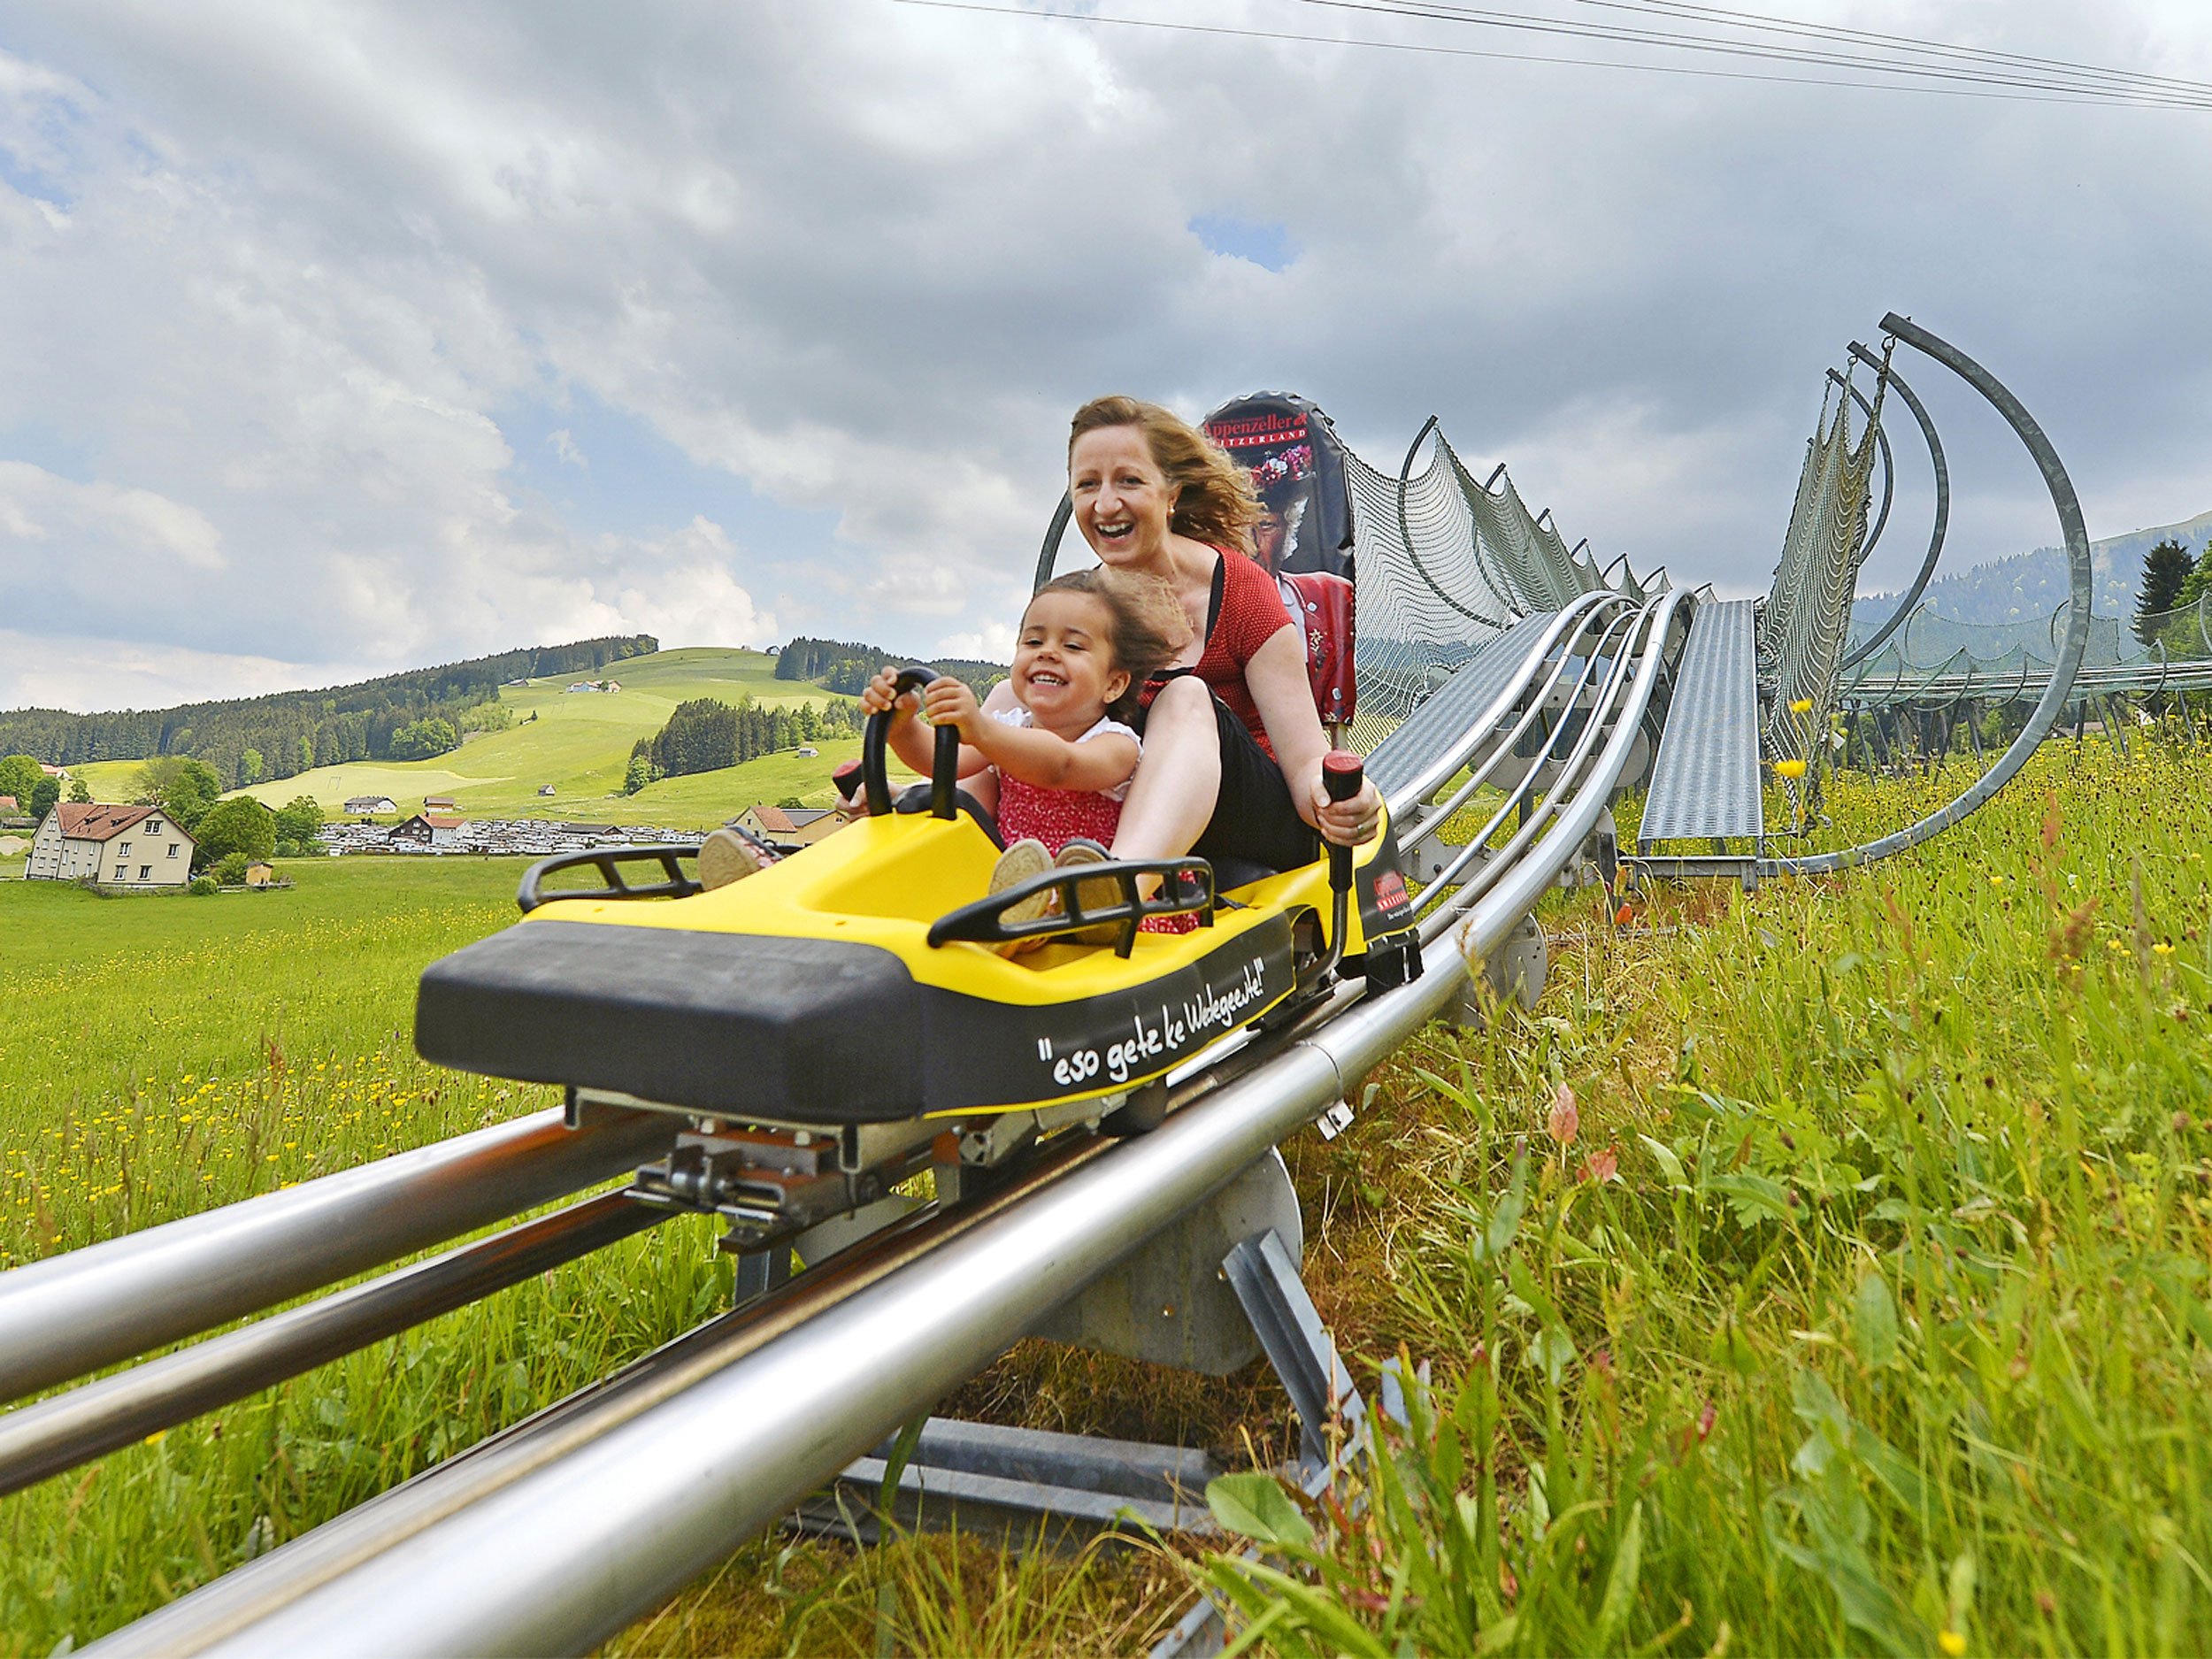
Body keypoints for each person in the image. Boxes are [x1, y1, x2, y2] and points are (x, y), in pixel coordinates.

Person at [1059, 395, 1378, 880]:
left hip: (1249, 821)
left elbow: (1305, 757)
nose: (1105, 503)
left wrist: (1334, 799)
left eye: (1129, 480)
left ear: (1171, 495)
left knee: (1185, 698)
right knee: (1007, 694)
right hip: (1127, 812)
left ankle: (1118, 887)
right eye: (1087, 485)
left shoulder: (1239, 589)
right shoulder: (1076, 608)